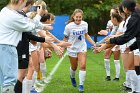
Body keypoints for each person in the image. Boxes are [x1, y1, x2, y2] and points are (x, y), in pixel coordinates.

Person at [0, 0, 63, 92]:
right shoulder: (14, 15)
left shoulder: (5, 11)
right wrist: (39, 16)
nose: (27, 6)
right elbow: (29, 27)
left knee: (5, 81)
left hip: (5, 47)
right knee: (11, 81)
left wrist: (43, 26)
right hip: (8, 48)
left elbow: (28, 23)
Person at [105, 0, 140, 92]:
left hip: (134, 47)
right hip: (135, 46)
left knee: (136, 68)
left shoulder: (133, 18)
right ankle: (135, 90)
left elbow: (126, 37)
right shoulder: (135, 16)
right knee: (132, 68)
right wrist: (132, 47)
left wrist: (112, 40)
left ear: (125, 9)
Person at [63, 9, 96, 92]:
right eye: (76, 17)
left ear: (82, 17)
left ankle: (81, 85)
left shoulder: (85, 24)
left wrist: (93, 43)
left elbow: (86, 35)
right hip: (72, 49)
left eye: (80, 17)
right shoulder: (69, 26)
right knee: (74, 67)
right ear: (73, 17)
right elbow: (65, 39)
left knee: (83, 65)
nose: (78, 18)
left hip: (82, 47)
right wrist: (61, 48)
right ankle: (72, 77)